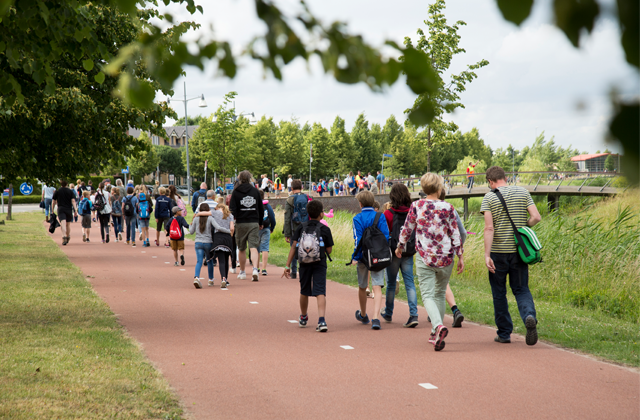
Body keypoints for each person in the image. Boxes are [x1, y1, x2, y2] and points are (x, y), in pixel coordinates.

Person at [395, 173, 463, 351]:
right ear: (440, 189)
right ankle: (435, 331)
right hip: (446, 256)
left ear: (424, 189)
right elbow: (455, 233)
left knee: (427, 295)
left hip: (426, 257)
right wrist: (460, 255)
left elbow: (407, 228)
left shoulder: (417, 206)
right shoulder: (448, 207)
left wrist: (400, 246)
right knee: (440, 293)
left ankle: (438, 326)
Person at [481, 166, 541, 345]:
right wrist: (524, 228)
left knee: (499, 293)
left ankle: (504, 333)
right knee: (521, 289)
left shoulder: (490, 197)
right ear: (505, 178)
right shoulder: (523, 192)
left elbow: (489, 228)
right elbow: (536, 217)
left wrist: (486, 255)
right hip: (518, 251)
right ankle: (529, 316)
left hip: (498, 252)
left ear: (490, 181)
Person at [282, 200, 334, 332]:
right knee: (320, 291)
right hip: (320, 263)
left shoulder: (301, 227)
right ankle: (321, 321)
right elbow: (329, 250)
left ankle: (304, 317)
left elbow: (294, 246)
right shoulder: (325, 229)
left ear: (308, 214)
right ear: (322, 214)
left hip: (304, 263)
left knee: (304, 290)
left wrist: (287, 266)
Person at [380, 183, 420, 328]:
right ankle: (413, 314)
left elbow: (385, 234)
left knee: (391, 283)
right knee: (410, 282)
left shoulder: (388, 213)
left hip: (393, 251)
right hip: (408, 251)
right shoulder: (412, 211)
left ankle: (389, 312)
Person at [350, 190, 390, 331]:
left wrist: (355, 256)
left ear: (360, 203)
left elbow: (358, 239)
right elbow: (386, 236)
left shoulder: (357, 218)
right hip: (377, 256)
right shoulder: (380, 216)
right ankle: (376, 318)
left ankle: (363, 314)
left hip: (363, 256)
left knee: (362, 285)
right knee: (377, 286)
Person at [229, 170, 264, 282]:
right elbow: (260, 208)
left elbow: (232, 209)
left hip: (240, 222)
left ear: (239, 179)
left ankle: (243, 272)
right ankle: (254, 269)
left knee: (242, 248)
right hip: (253, 222)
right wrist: (260, 222)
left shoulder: (235, 192)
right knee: (253, 247)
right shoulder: (255, 191)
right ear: (250, 178)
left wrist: (231, 221)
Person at [189, 203, 232, 288]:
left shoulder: (196, 219)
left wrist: (190, 225)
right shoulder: (210, 218)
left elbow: (191, 232)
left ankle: (196, 277)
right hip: (208, 242)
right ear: (208, 210)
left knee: (199, 261)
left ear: (200, 210)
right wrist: (228, 231)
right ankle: (211, 280)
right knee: (209, 261)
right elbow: (218, 227)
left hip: (198, 242)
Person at [283, 179, 309, 280]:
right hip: (307, 227)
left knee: (293, 249)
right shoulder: (308, 198)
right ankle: (304, 270)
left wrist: (287, 233)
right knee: (307, 247)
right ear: (302, 187)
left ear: (292, 188)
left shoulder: (290, 200)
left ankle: (293, 272)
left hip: (295, 228)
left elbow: (287, 218)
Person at [212, 203, 235, 288]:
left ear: (217, 208)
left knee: (221, 260)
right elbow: (232, 228)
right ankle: (226, 279)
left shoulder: (215, 213)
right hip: (228, 238)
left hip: (218, 237)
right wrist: (230, 235)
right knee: (226, 260)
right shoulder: (230, 215)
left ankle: (223, 278)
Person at [52, 180, 78, 246]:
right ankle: (68, 235)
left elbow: (53, 201)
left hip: (61, 209)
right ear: (67, 184)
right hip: (68, 209)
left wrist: (52, 209)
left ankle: (63, 237)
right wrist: (75, 210)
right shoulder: (70, 191)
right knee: (68, 224)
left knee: (63, 223)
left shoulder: (57, 191)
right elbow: (73, 201)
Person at [258, 190, 276, 276]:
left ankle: (256, 267)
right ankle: (264, 269)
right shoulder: (267, 206)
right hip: (266, 228)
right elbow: (272, 218)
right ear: (263, 196)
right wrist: (271, 227)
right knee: (265, 248)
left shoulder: (255, 205)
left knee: (256, 247)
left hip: (256, 228)